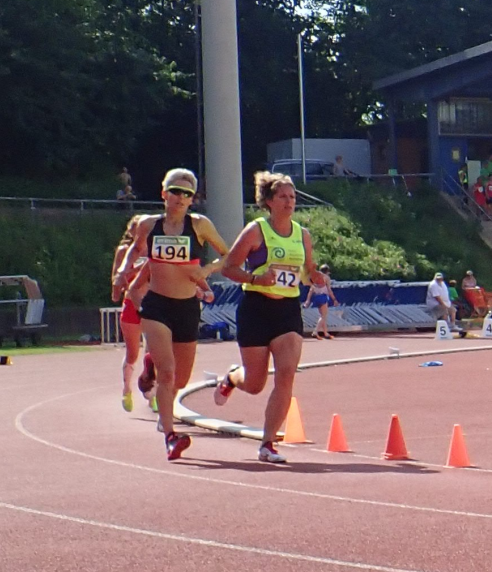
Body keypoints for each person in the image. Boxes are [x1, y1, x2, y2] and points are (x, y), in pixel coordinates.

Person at [115, 168, 228, 460]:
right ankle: (170, 435)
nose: (180, 198)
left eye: (187, 194)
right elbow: (135, 249)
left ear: (193, 200)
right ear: (164, 193)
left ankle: (164, 408)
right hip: (157, 306)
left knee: (180, 378)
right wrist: (122, 270)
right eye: (175, 191)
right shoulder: (149, 225)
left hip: (187, 307)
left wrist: (206, 270)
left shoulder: (200, 225)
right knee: (167, 372)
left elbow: (228, 254)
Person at [214, 172, 320, 464]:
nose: (289, 202)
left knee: (286, 374)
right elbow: (228, 268)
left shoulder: (303, 235)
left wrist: (316, 276)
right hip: (256, 309)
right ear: (269, 202)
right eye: (283, 197)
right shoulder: (255, 231)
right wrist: (255, 278)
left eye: (293, 197)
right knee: (256, 383)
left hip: (287, 311)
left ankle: (268, 443)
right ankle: (234, 377)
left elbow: (308, 271)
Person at [111, 215, 154, 413]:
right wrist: (141, 268)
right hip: (132, 304)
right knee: (133, 352)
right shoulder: (124, 251)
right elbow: (117, 281)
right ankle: (126, 389)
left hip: (153, 304)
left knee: (153, 352)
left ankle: (152, 391)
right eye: (139, 228)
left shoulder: (155, 249)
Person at [306, 263, 339, 339]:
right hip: (323, 296)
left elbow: (311, 289)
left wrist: (308, 300)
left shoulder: (315, 277)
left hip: (316, 296)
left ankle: (325, 333)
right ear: (327, 271)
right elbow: (329, 289)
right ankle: (315, 331)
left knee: (323, 315)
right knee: (323, 316)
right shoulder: (326, 277)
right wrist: (334, 299)